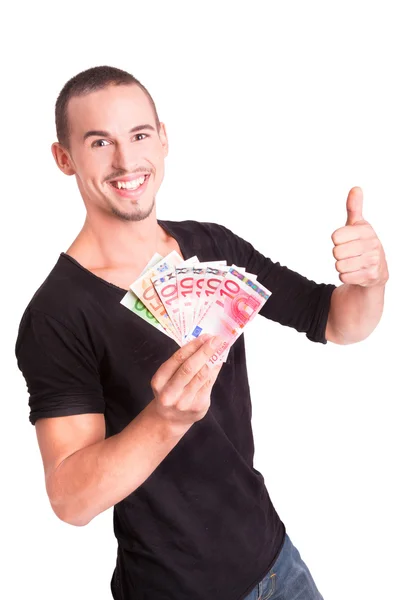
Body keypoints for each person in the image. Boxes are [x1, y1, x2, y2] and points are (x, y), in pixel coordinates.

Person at [15, 66, 388, 600]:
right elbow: (71, 500)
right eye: (100, 142)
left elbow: (336, 321)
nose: (126, 162)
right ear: (64, 158)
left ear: (163, 139)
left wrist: (372, 281)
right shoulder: (56, 313)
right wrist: (165, 421)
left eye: (139, 136)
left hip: (278, 561)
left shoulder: (212, 246)